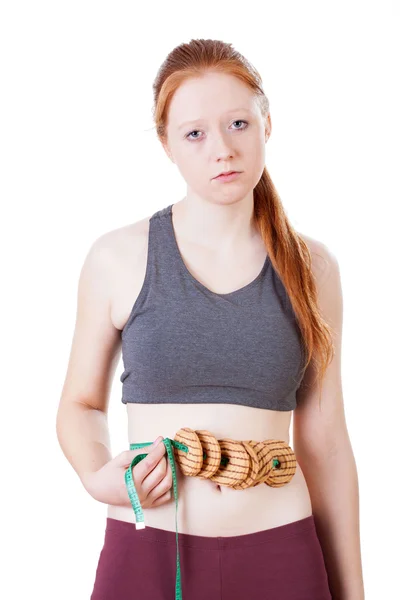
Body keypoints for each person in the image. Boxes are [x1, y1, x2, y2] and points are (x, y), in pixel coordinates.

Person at [56, 38, 364, 600]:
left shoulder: (313, 267)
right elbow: (79, 404)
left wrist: (352, 591)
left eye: (239, 123)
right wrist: (98, 476)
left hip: (283, 554)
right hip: (148, 551)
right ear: (166, 145)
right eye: (194, 133)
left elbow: (326, 443)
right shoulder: (117, 257)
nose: (221, 149)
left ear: (268, 123)